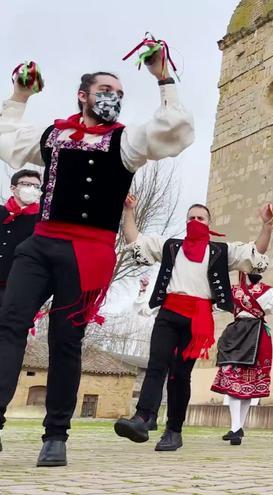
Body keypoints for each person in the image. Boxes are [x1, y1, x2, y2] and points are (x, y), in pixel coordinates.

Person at [0, 57, 193, 466]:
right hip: (41, 245)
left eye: (120, 94)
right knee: (9, 325)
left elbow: (175, 129)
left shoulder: (126, 142)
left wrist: (164, 79)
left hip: (87, 255)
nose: (113, 99)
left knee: (66, 343)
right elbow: (8, 139)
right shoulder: (55, 135)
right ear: (83, 96)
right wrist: (20, 94)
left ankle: (55, 435)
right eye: (106, 91)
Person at [113, 197, 273, 452]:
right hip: (168, 312)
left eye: (200, 218)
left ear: (209, 223)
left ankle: (174, 431)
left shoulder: (220, 251)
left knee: (180, 375)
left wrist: (266, 226)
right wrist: (129, 211)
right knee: (157, 364)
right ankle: (143, 418)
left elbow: (255, 252)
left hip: (197, 318)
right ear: (185, 221)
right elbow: (136, 241)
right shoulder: (171, 246)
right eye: (191, 218)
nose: (195, 221)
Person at [212, 270, 273, 445]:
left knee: (249, 383)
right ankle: (236, 427)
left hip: (257, 336)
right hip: (235, 334)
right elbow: (214, 305)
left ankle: (237, 427)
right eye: (253, 268)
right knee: (234, 379)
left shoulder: (267, 291)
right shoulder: (233, 290)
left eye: (259, 268)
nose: (256, 271)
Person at [0, 170, 41, 302]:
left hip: (16, 287)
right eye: (26, 184)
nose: (32, 189)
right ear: (13, 188)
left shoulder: (41, 220)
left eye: (36, 186)